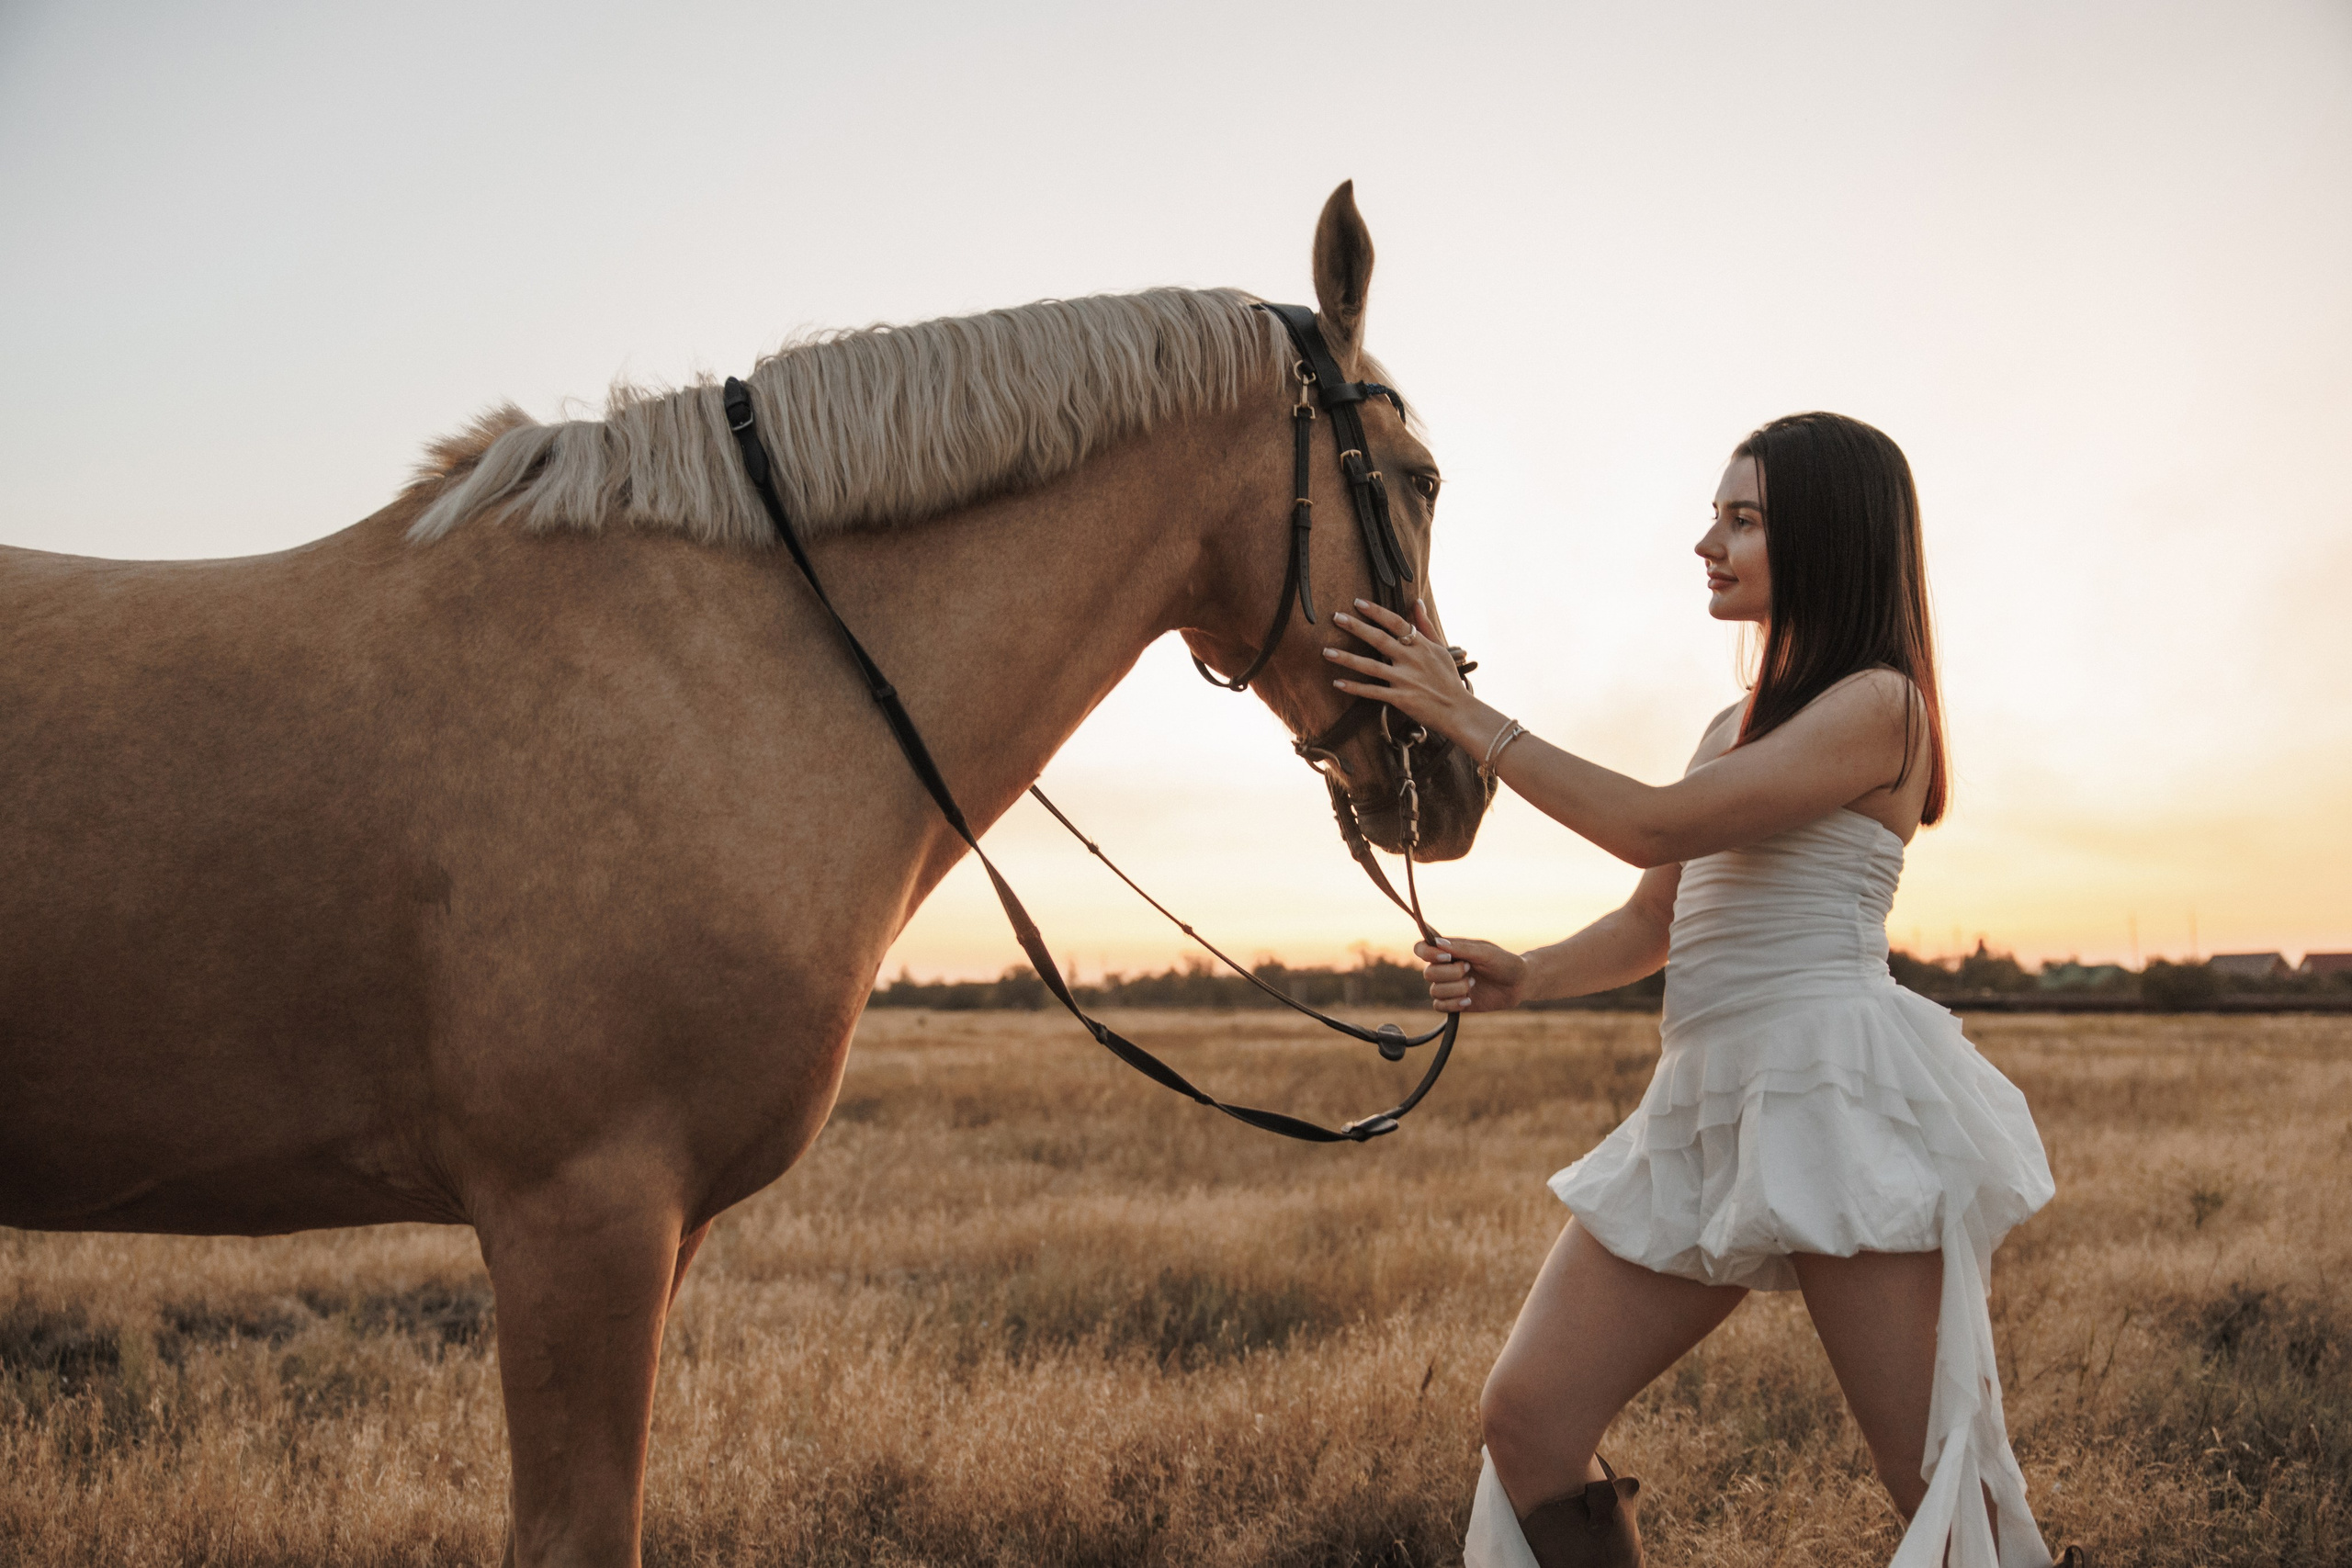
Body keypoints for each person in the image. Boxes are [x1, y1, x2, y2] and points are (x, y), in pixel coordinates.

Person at [1321, 412, 2077, 1568]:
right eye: (1715, 515)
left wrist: (1463, 716)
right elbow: (1654, 917)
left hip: (1835, 1090)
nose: (1706, 542)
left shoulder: (1882, 706)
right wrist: (1528, 975)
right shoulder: (1730, 722)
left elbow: (1647, 827)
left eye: (1742, 519)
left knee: (1931, 1472)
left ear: (1825, 539)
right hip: (1705, 1094)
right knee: (1528, 1415)